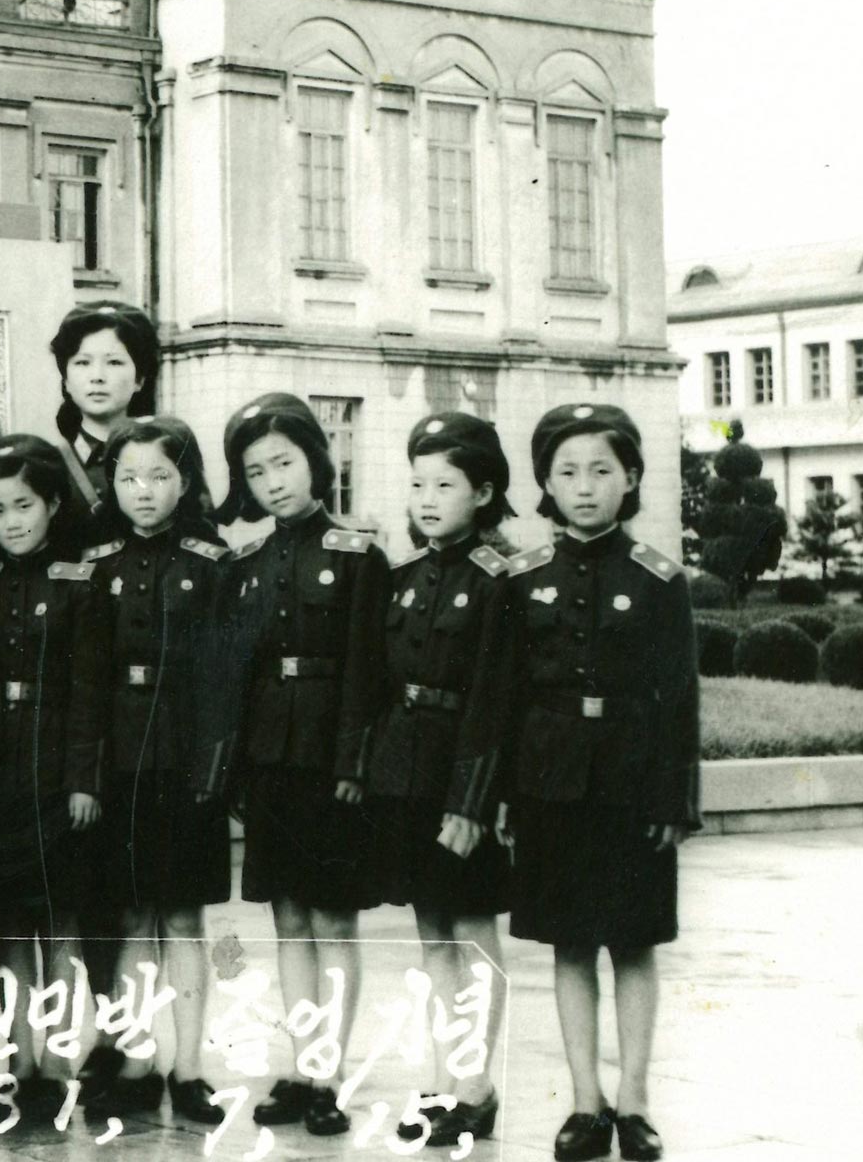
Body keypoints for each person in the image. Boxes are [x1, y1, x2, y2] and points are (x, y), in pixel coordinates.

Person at [500, 404, 698, 1162]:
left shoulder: (658, 579)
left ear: (633, 478)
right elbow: (508, 695)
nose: (584, 487)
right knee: (570, 944)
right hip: (550, 785)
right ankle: (585, 1101)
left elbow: (678, 697)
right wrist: (506, 793)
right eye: (567, 472)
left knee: (636, 943)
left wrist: (674, 799)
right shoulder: (523, 580)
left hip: (632, 782)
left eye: (602, 471)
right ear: (546, 483)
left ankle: (636, 1102)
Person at [339, 412, 513, 1149]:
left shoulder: (500, 580)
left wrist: (472, 804)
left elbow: (495, 698)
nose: (428, 498)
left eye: (446, 485)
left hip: (457, 780)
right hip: (403, 776)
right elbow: (380, 685)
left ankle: (477, 1086)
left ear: (484, 492)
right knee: (431, 935)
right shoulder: (405, 578)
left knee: (472, 936)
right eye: (417, 485)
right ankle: (444, 1080)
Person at [222, 393, 389, 1138]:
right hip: (270, 760)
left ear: (317, 461)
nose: (273, 482)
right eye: (256, 472)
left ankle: (329, 1074)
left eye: (284, 463)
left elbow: (368, 668)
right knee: (288, 921)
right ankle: (298, 1065)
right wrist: (236, 770)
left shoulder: (357, 554)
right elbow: (240, 673)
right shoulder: (250, 562)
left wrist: (353, 759)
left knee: (332, 922)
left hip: (330, 760)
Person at [78, 417, 240, 1125]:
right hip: (120, 754)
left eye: (161, 476)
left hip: (185, 755)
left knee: (183, 915)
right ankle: (138, 1058)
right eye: (128, 477)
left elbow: (228, 675)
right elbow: (84, 677)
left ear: (187, 481)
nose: (143, 492)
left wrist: (215, 769)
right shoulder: (96, 561)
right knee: (132, 911)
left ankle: (190, 1065)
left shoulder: (213, 562)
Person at [0, 434, 111, 1127]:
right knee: (14, 930)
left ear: (52, 503)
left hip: (58, 778)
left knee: (61, 927)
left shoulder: (80, 586)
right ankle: (15, 1059)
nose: (12, 521)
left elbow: (90, 691)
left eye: (24, 505)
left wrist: (84, 779)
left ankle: (58, 1061)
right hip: (1, 780)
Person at [46, 301, 159, 517]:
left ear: (140, 379)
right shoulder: (49, 466)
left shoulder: (169, 457)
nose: (97, 376)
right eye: (82, 363)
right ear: (66, 380)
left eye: (114, 362)